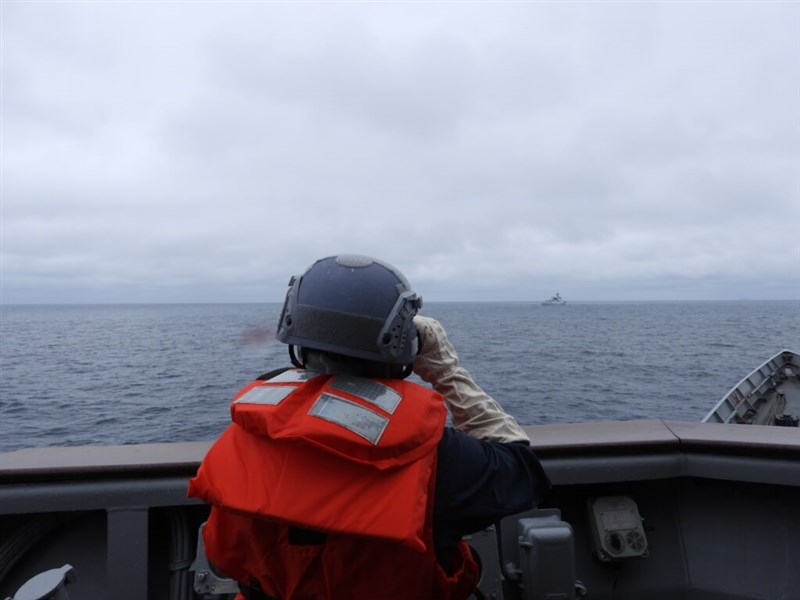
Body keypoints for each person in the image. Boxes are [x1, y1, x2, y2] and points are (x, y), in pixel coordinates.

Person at [188, 254, 551, 600]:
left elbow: (221, 559)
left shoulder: (249, 430)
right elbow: (524, 473)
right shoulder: (437, 459)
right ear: (401, 343)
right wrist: (446, 371)